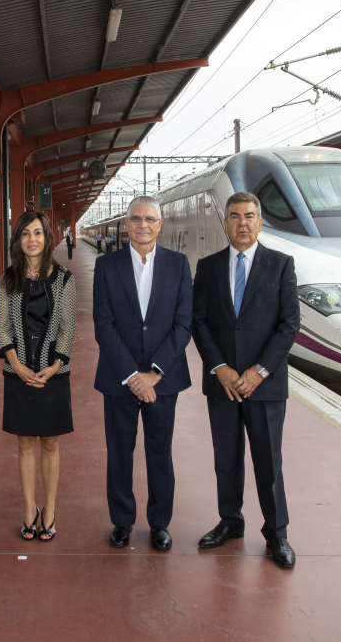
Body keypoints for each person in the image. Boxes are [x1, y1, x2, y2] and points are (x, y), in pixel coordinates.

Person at [191, 191, 299, 570]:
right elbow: (199, 322)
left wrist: (258, 371)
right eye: (235, 216)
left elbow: (289, 325)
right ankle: (230, 522)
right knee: (226, 459)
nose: (242, 223)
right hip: (223, 384)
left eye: (249, 216)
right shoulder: (208, 267)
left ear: (260, 222)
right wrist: (220, 367)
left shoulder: (281, 265)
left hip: (264, 385)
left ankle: (277, 533)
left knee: (268, 461)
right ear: (225, 223)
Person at [92, 196, 191, 552]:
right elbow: (103, 325)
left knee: (159, 453)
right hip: (120, 379)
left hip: (164, 380)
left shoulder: (179, 265)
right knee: (119, 451)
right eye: (136, 218)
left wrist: (154, 373)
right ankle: (122, 521)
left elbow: (183, 325)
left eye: (150, 219)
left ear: (160, 224)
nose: (143, 225)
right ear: (126, 224)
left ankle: (160, 523)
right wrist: (133, 375)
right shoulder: (107, 266)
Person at [0, 209, 75, 542]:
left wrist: (55, 365)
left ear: (48, 238)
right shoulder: (8, 279)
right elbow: (2, 328)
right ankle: (29, 510)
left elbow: (68, 328)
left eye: (38, 233)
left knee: (51, 445)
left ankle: (50, 509)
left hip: (53, 374)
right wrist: (17, 365)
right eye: (25, 233)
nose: (32, 239)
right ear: (18, 239)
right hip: (18, 374)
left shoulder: (65, 279)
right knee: (25, 443)